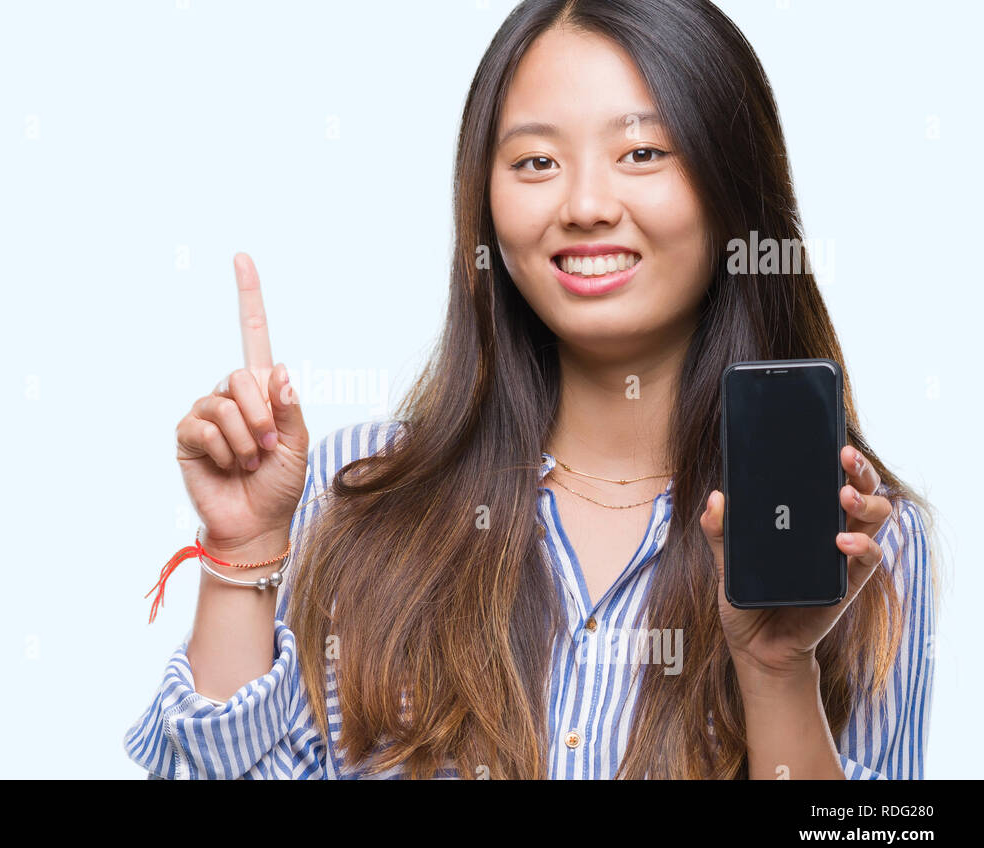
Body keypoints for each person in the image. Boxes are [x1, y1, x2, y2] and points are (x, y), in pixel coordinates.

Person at [126, 0, 939, 779]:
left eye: (643, 153)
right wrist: (242, 549)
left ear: (733, 185)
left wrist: (775, 669)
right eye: (537, 162)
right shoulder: (360, 493)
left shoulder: (853, 531)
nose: (584, 206)